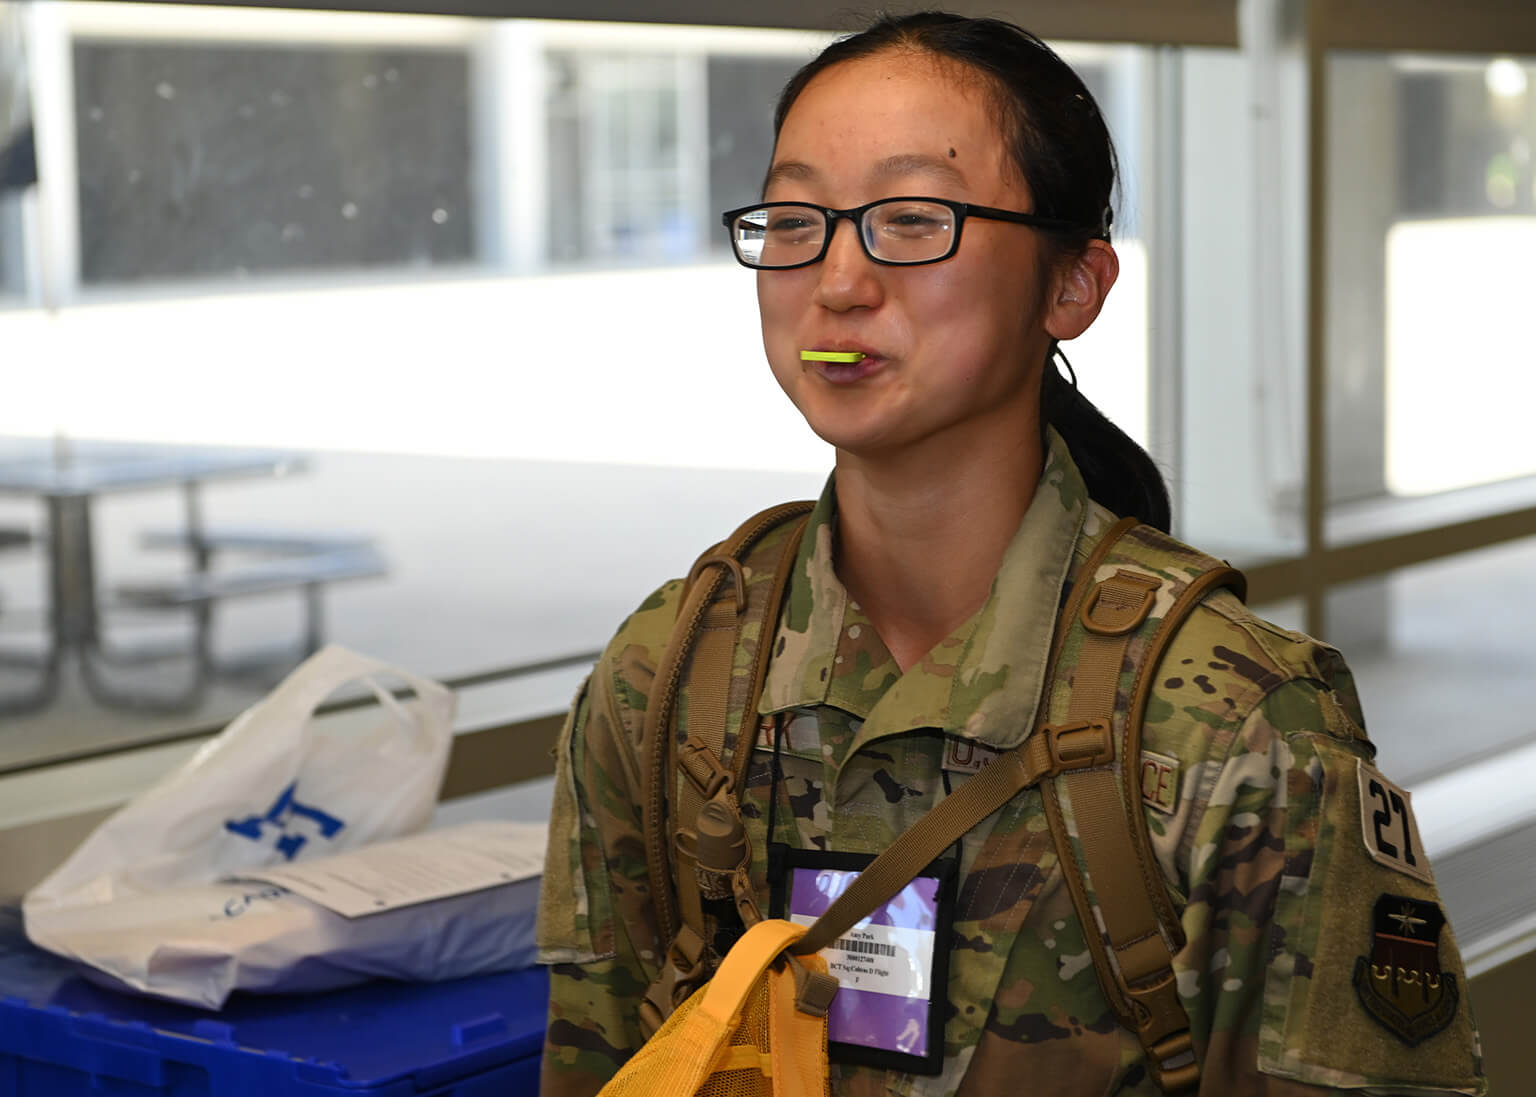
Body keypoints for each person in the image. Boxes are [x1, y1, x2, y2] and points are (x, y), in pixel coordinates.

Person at [535, 12, 1486, 1096]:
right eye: (797, 219)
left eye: (910, 218)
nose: (838, 281)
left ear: (1072, 285)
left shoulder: (1228, 725)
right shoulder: (671, 678)